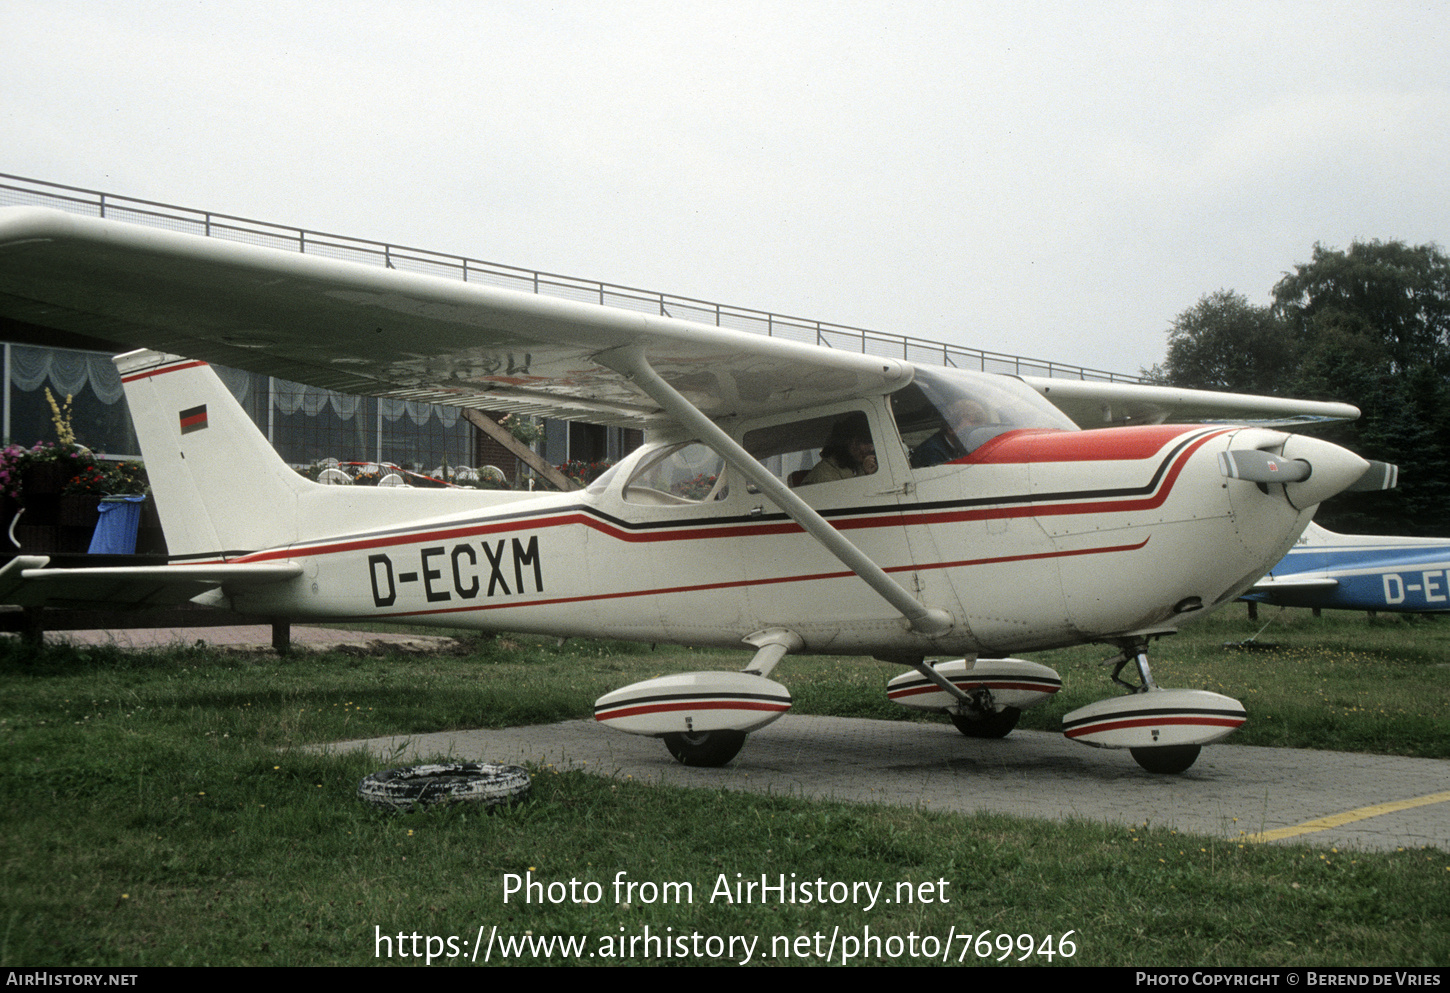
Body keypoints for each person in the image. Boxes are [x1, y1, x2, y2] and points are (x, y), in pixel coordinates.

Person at [801, 412, 878, 485]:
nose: (871, 448)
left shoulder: (857, 467)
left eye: (872, 443)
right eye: (865, 442)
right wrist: (864, 475)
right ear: (848, 441)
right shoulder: (823, 474)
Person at [910, 397, 987, 468]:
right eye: (971, 430)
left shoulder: (957, 449)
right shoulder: (932, 453)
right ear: (950, 428)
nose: (977, 435)